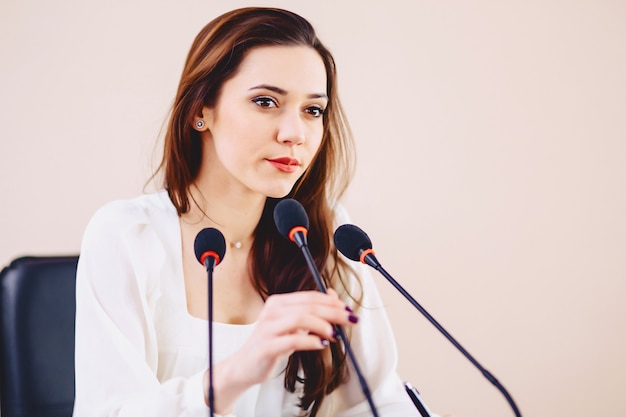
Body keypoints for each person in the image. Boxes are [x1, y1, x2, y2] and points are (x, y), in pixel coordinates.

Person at [73, 7, 441, 417]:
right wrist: (239, 370)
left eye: (312, 110)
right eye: (265, 102)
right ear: (201, 110)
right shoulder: (128, 235)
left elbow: (376, 400)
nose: (294, 134)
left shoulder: (325, 229)